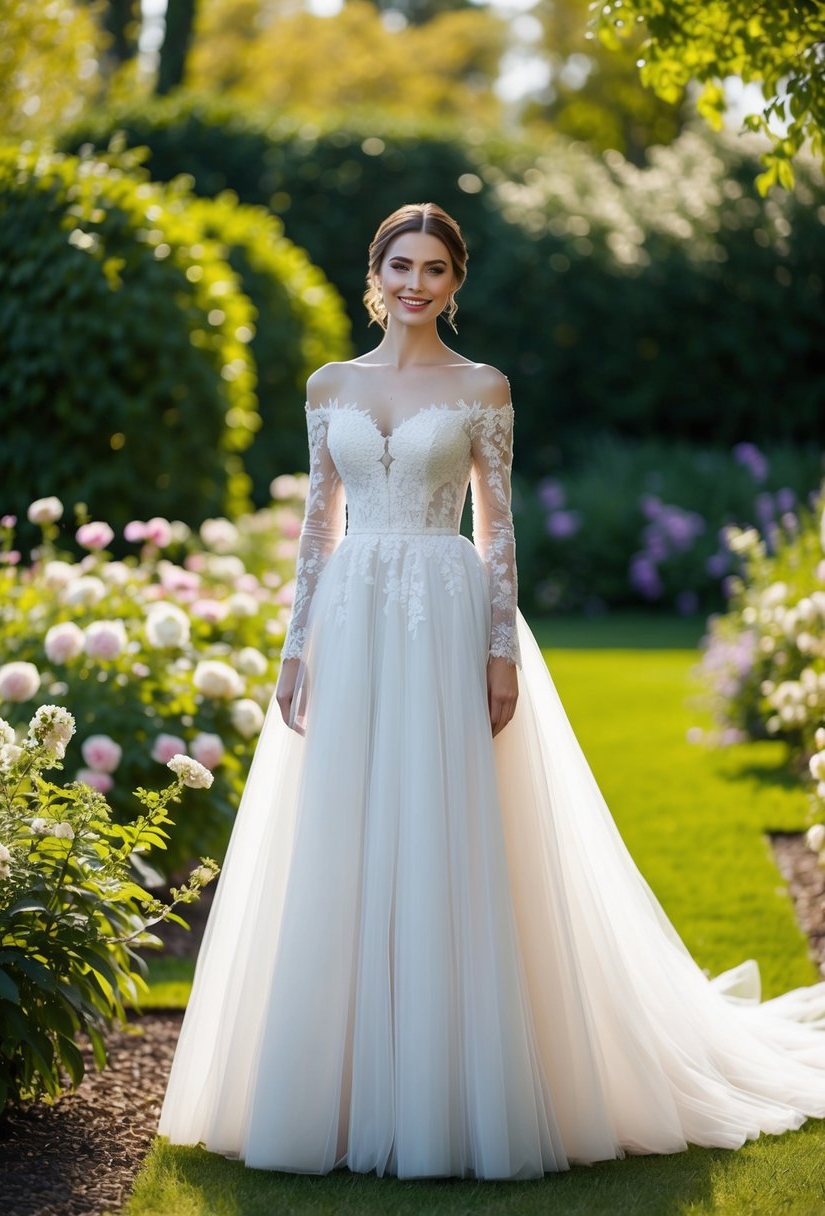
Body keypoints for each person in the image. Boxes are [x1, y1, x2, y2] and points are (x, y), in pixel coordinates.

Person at [157, 202, 825, 1181]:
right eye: (400, 263)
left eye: (434, 267)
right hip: (348, 618)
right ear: (373, 273)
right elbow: (314, 524)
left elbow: (497, 525)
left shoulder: (483, 388)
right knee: (341, 831)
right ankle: (333, 1086)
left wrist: (498, 648)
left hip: (440, 607)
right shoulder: (328, 384)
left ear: (455, 283)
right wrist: (294, 649)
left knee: (440, 828)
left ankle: (451, 1084)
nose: (415, 281)